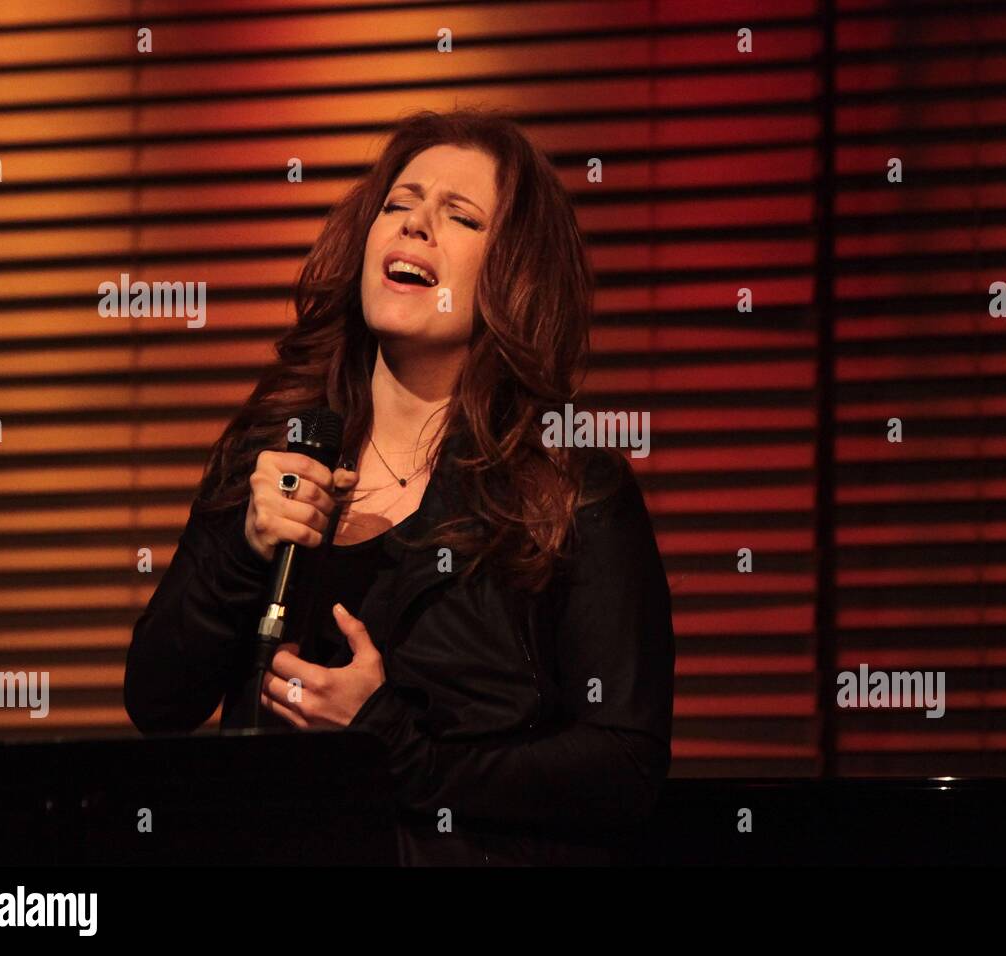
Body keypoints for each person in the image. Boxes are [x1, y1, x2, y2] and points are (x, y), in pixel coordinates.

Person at [123, 108, 676, 865]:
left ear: (512, 271)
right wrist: (243, 549)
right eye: (399, 205)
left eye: (459, 217)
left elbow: (624, 769)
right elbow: (158, 701)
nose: (414, 227)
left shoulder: (567, 483)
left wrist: (391, 743)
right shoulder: (277, 448)